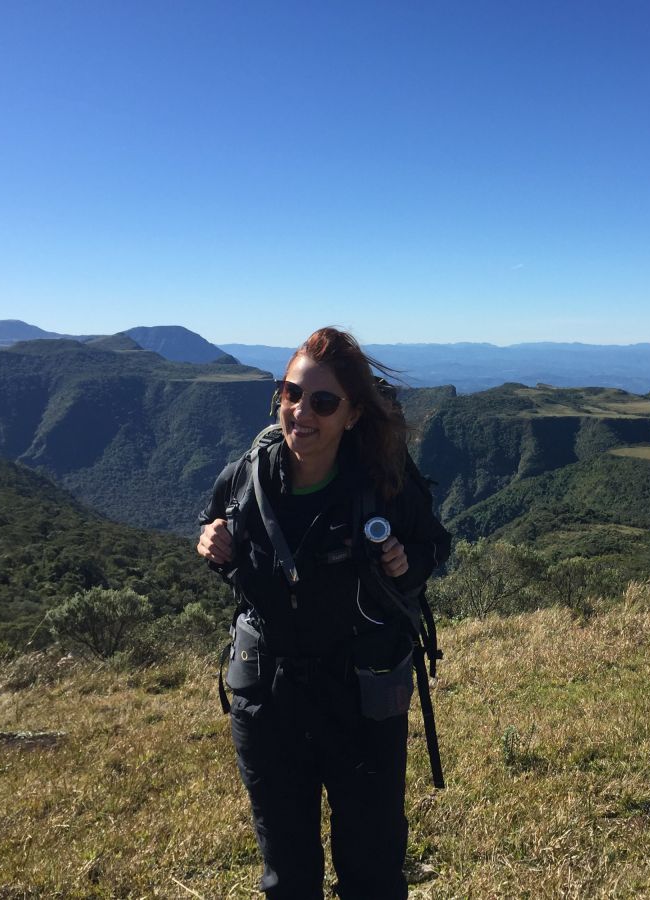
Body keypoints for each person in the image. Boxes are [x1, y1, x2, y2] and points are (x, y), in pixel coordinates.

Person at [196, 327, 450, 899]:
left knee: (372, 869)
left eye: (323, 401)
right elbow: (218, 532)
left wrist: (404, 564)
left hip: (359, 695)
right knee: (287, 873)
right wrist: (211, 543)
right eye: (290, 393)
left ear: (353, 414)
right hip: (269, 699)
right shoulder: (248, 476)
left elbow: (433, 545)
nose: (300, 412)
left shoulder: (383, 484)